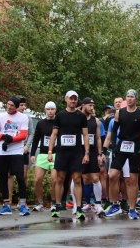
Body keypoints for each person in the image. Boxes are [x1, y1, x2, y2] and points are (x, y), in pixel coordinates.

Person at [105, 90, 140, 219]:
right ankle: (114, 205)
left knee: (132, 179)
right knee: (112, 175)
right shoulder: (120, 113)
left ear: (136, 99)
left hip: (134, 147)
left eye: (132, 97)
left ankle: (132, 209)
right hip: (121, 146)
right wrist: (113, 146)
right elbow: (114, 131)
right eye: (128, 97)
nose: (129, 99)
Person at [47, 90, 90, 219]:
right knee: (59, 179)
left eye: (75, 99)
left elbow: (86, 135)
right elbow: (54, 135)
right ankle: (58, 206)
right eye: (71, 99)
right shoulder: (60, 116)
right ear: (66, 99)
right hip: (61, 151)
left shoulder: (81, 116)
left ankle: (79, 208)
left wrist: (86, 153)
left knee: (77, 179)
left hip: (76, 152)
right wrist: (50, 151)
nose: (73, 101)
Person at [0, 96, 30, 216]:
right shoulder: (0, 117)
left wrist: (11, 139)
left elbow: (23, 135)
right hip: (3, 151)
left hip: (16, 151)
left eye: (12, 105)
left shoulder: (23, 117)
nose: (9, 107)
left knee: (20, 177)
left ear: (17, 107)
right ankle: (6, 205)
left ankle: (22, 205)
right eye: (7, 104)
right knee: (3, 177)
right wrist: (3, 137)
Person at [71, 97, 105, 216]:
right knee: (80, 178)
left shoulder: (95, 121)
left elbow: (98, 138)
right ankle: (77, 205)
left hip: (93, 150)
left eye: (93, 106)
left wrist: (100, 154)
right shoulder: (76, 118)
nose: (92, 108)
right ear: (83, 105)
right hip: (78, 151)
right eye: (90, 106)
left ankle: (98, 204)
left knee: (95, 178)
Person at [30, 102, 58, 213]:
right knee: (37, 180)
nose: (50, 111)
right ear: (45, 110)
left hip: (56, 154)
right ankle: (40, 203)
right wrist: (32, 154)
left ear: (55, 110)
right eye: (48, 109)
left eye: (52, 109)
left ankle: (53, 203)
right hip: (42, 154)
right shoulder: (41, 123)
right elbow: (36, 139)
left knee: (54, 180)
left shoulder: (58, 122)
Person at [8, 96, 34, 205]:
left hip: (23, 150)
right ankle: (8, 198)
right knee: (9, 174)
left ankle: (22, 199)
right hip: (11, 150)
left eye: (24, 105)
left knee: (23, 175)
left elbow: (31, 133)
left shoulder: (27, 118)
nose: (24, 107)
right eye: (21, 105)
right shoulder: (9, 118)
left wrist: (27, 146)